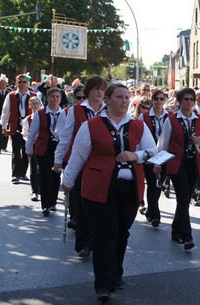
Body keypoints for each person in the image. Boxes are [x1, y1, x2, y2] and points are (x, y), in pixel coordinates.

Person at [61, 83, 157, 302]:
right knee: (106, 234)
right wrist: (67, 182)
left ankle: (117, 272)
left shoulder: (137, 125)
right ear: (108, 99)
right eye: (119, 97)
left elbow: (153, 151)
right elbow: (78, 156)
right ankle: (103, 284)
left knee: (122, 232)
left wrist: (136, 156)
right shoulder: (91, 125)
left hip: (130, 188)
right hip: (98, 189)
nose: (124, 101)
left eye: (127, 97)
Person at [54, 75, 108, 257]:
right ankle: (84, 242)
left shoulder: (109, 111)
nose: (100, 92)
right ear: (88, 92)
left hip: (102, 164)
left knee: (100, 204)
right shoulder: (75, 111)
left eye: (102, 89)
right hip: (80, 162)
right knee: (83, 203)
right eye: (96, 89)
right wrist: (58, 159)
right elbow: (66, 137)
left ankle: (96, 239)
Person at [156, 87, 200, 251]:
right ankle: (187, 236)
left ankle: (175, 230)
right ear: (179, 101)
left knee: (185, 201)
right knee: (182, 199)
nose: (189, 102)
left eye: (191, 99)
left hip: (194, 163)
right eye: (186, 99)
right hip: (177, 164)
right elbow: (163, 144)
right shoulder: (171, 120)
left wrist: (199, 142)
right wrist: (158, 165)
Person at [26, 88, 63, 216]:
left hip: (58, 148)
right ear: (47, 98)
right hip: (43, 147)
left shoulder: (64, 113)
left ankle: (53, 202)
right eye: (52, 96)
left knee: (55, 175)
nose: (55, 98)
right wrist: (29, 148)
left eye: (57, 96)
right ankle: (45, 205)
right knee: (44, 175)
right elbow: (32, 133)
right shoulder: (40, 114)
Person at [139, 89, 170, 226]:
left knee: (159, 185)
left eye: (161, 99)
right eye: (156, 98)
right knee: (152, 183)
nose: (158, 101)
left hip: (164, 155)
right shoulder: (144, 117)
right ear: (152, 100)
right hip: (149, 154)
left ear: (165, 100)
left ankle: (151, 210)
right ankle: (155, 215)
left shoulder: (169, 117)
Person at [0, 74, 37, 183]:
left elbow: (39, 111)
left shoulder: (33, 95)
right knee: (16, 150)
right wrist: (4, 126)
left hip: (28, 127)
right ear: (16, 83)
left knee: (27, 150)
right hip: (15, 125)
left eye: (24, 82)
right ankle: (15, 174)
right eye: (20, 82)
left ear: (27, 83)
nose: (22, 84)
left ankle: (23, 173)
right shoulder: (11, 96)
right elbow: (5, 111)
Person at [21, 97, 43, 201]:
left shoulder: (45, 117)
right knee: (34, 168)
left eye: (36, 103)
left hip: (44, 146)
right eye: (32, 104)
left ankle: (43, 189)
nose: (35, 105)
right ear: (30, 106)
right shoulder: (27, 120)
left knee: (43, 168)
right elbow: (25, 134)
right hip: (33, 146)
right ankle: (35, 191)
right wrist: (29, 141)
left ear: (40, 104)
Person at [0, 74, 11, 154]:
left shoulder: (9, 94)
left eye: (3, 83)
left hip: (7, 116)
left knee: (6, 131)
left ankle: (4, 146)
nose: (2, 85)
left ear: (6, 84)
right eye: (0, 84)